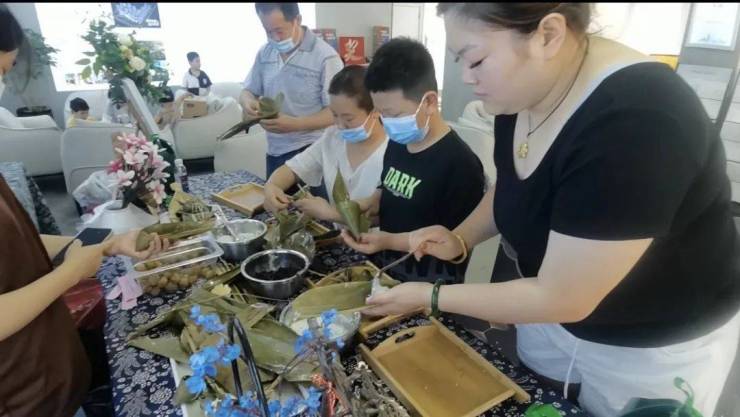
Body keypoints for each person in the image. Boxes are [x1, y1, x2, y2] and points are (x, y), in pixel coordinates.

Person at [343, 4, 740, 417]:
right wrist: (461, 237)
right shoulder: (524, 94)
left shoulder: (640, 121)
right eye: (460, 60)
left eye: (476, 60)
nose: (466, 78)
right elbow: (513, 185)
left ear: (548, 34)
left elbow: (564, 296)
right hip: (546, 314)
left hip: (646, 347)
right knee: (541, 401)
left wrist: (432, 295)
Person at [0, 7, 169, 417]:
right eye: (1, 71)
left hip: (47, 373)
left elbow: (17, 242)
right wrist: (72, 271)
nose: (3, 86)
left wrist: (108, 245)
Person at [343, 38, 486, 284]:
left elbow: (452, 245)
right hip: (386, 269)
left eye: (393, 114)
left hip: (427, 283)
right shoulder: (398, 142)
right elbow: (388, 190)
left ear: (429, 102)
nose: (386, 123)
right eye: (380, 113)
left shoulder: (461, 165)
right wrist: (366, 205)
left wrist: (388, 241)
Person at [263, 65, 387, 225]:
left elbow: (383, 212)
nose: (340, 125)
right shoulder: (333, 137)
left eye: (348, 119)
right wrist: (272, 186)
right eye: (334, 115)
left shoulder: (395, 151)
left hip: (377, 239)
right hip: (339, 236)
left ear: (376, 110)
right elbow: (294, 168)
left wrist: (330, 213)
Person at [241, 3, 344, 179]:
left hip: (312, 152)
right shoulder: (265, 52)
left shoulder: (326, 57)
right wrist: (248, 102)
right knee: (273, 196)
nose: (275, 38)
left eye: (279, 31)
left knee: (307, 198)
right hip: (274, 150)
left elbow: (337, 112)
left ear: (297, 20)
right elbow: (248, 90)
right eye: (268, 31)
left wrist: (296, 124)